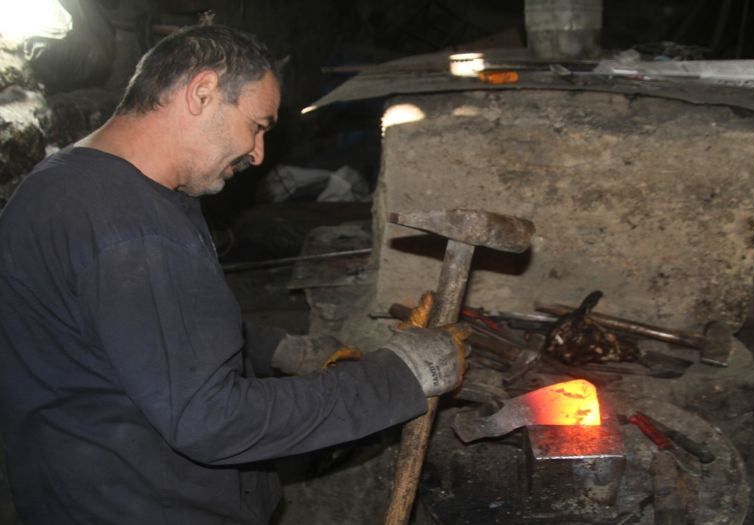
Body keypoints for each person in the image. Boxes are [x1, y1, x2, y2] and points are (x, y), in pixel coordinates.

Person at [0, 24, 464, 524]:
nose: (258, 153)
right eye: (258, 125)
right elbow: (211, 420)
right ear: (202, 93)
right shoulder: (133, 233)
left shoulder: (72, 181)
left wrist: (271, 347)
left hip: (80, 485)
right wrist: (398, 376)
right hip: (142, 503)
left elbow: (140, 332)